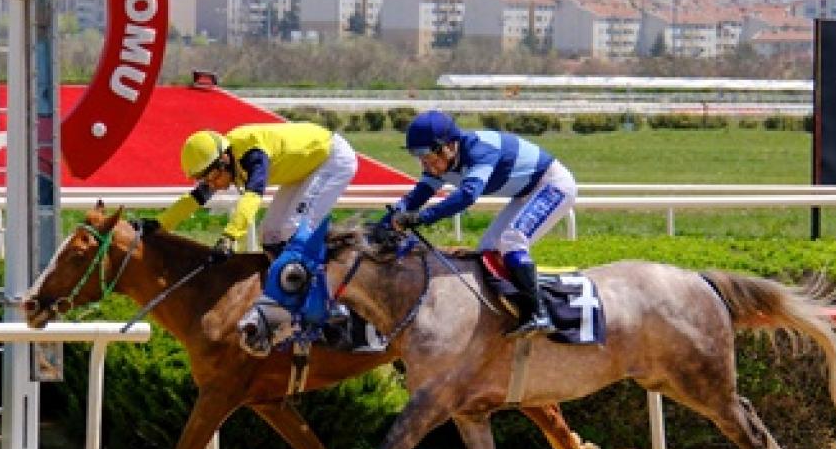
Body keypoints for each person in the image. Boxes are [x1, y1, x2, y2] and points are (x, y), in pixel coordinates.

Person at [157, 120, 384, 352]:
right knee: (271, 233)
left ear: (224, 160)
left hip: (332, 160)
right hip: (307, 168)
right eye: (206, 180)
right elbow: (195, 198)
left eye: (213, 177)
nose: (213, 184)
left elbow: (251, 200)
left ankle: (339, 309)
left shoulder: (252, 154)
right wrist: (159, 225)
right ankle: (291, 299)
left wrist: (229, 237)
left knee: (292, 227)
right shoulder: (223, 163)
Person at [388, 110, 576, 337]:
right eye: (420, 158)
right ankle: (509, 310)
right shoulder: (442, 161)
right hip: (525, 193)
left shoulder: (479, 150)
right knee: (487, 249)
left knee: (512, 241)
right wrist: (386, 222)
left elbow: (468, 195)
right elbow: (417, 196)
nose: (427, 165)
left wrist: (422, 217)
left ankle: (539, 313)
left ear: (449, 146)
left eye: (430, 156)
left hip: (553, 185)